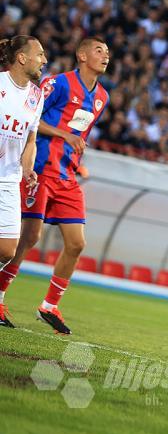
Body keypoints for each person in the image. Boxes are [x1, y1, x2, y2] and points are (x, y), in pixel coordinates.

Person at [5, 37, 109, 334]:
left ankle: (49, 306)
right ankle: (0, 297)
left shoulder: (102, 96)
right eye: (99, 51)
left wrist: (77, 157)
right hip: (40, 170)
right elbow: (32, 120)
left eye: (108, 53)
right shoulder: (57, 84)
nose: (105, 56)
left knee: (77, 243)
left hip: (67, 176)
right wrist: (64, 135)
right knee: (28, 239)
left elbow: (80, 135)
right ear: (81, 55)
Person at [0, 36, 46, 327]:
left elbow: (31, 139)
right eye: (39, 54)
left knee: (6, 250)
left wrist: (28, 168)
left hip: (9, 178)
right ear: (22, 58)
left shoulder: (36, 96)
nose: (43, 60)